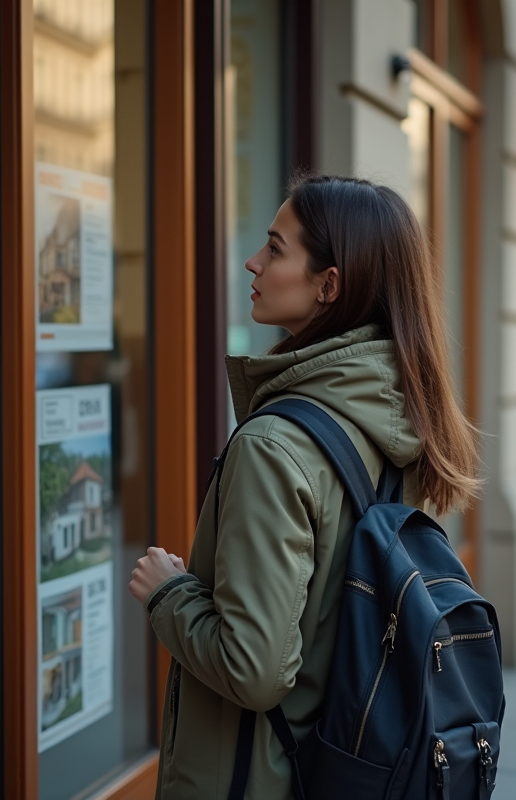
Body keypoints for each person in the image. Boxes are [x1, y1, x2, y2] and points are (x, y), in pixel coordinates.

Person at [126, 175, 480, 799]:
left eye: (274, 248)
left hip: (252, 779)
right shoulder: (399, 419)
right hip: (344, 764)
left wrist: (168, 594)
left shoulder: (274, 445)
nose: (252, 262)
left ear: (328, 285)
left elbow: (254, 670)